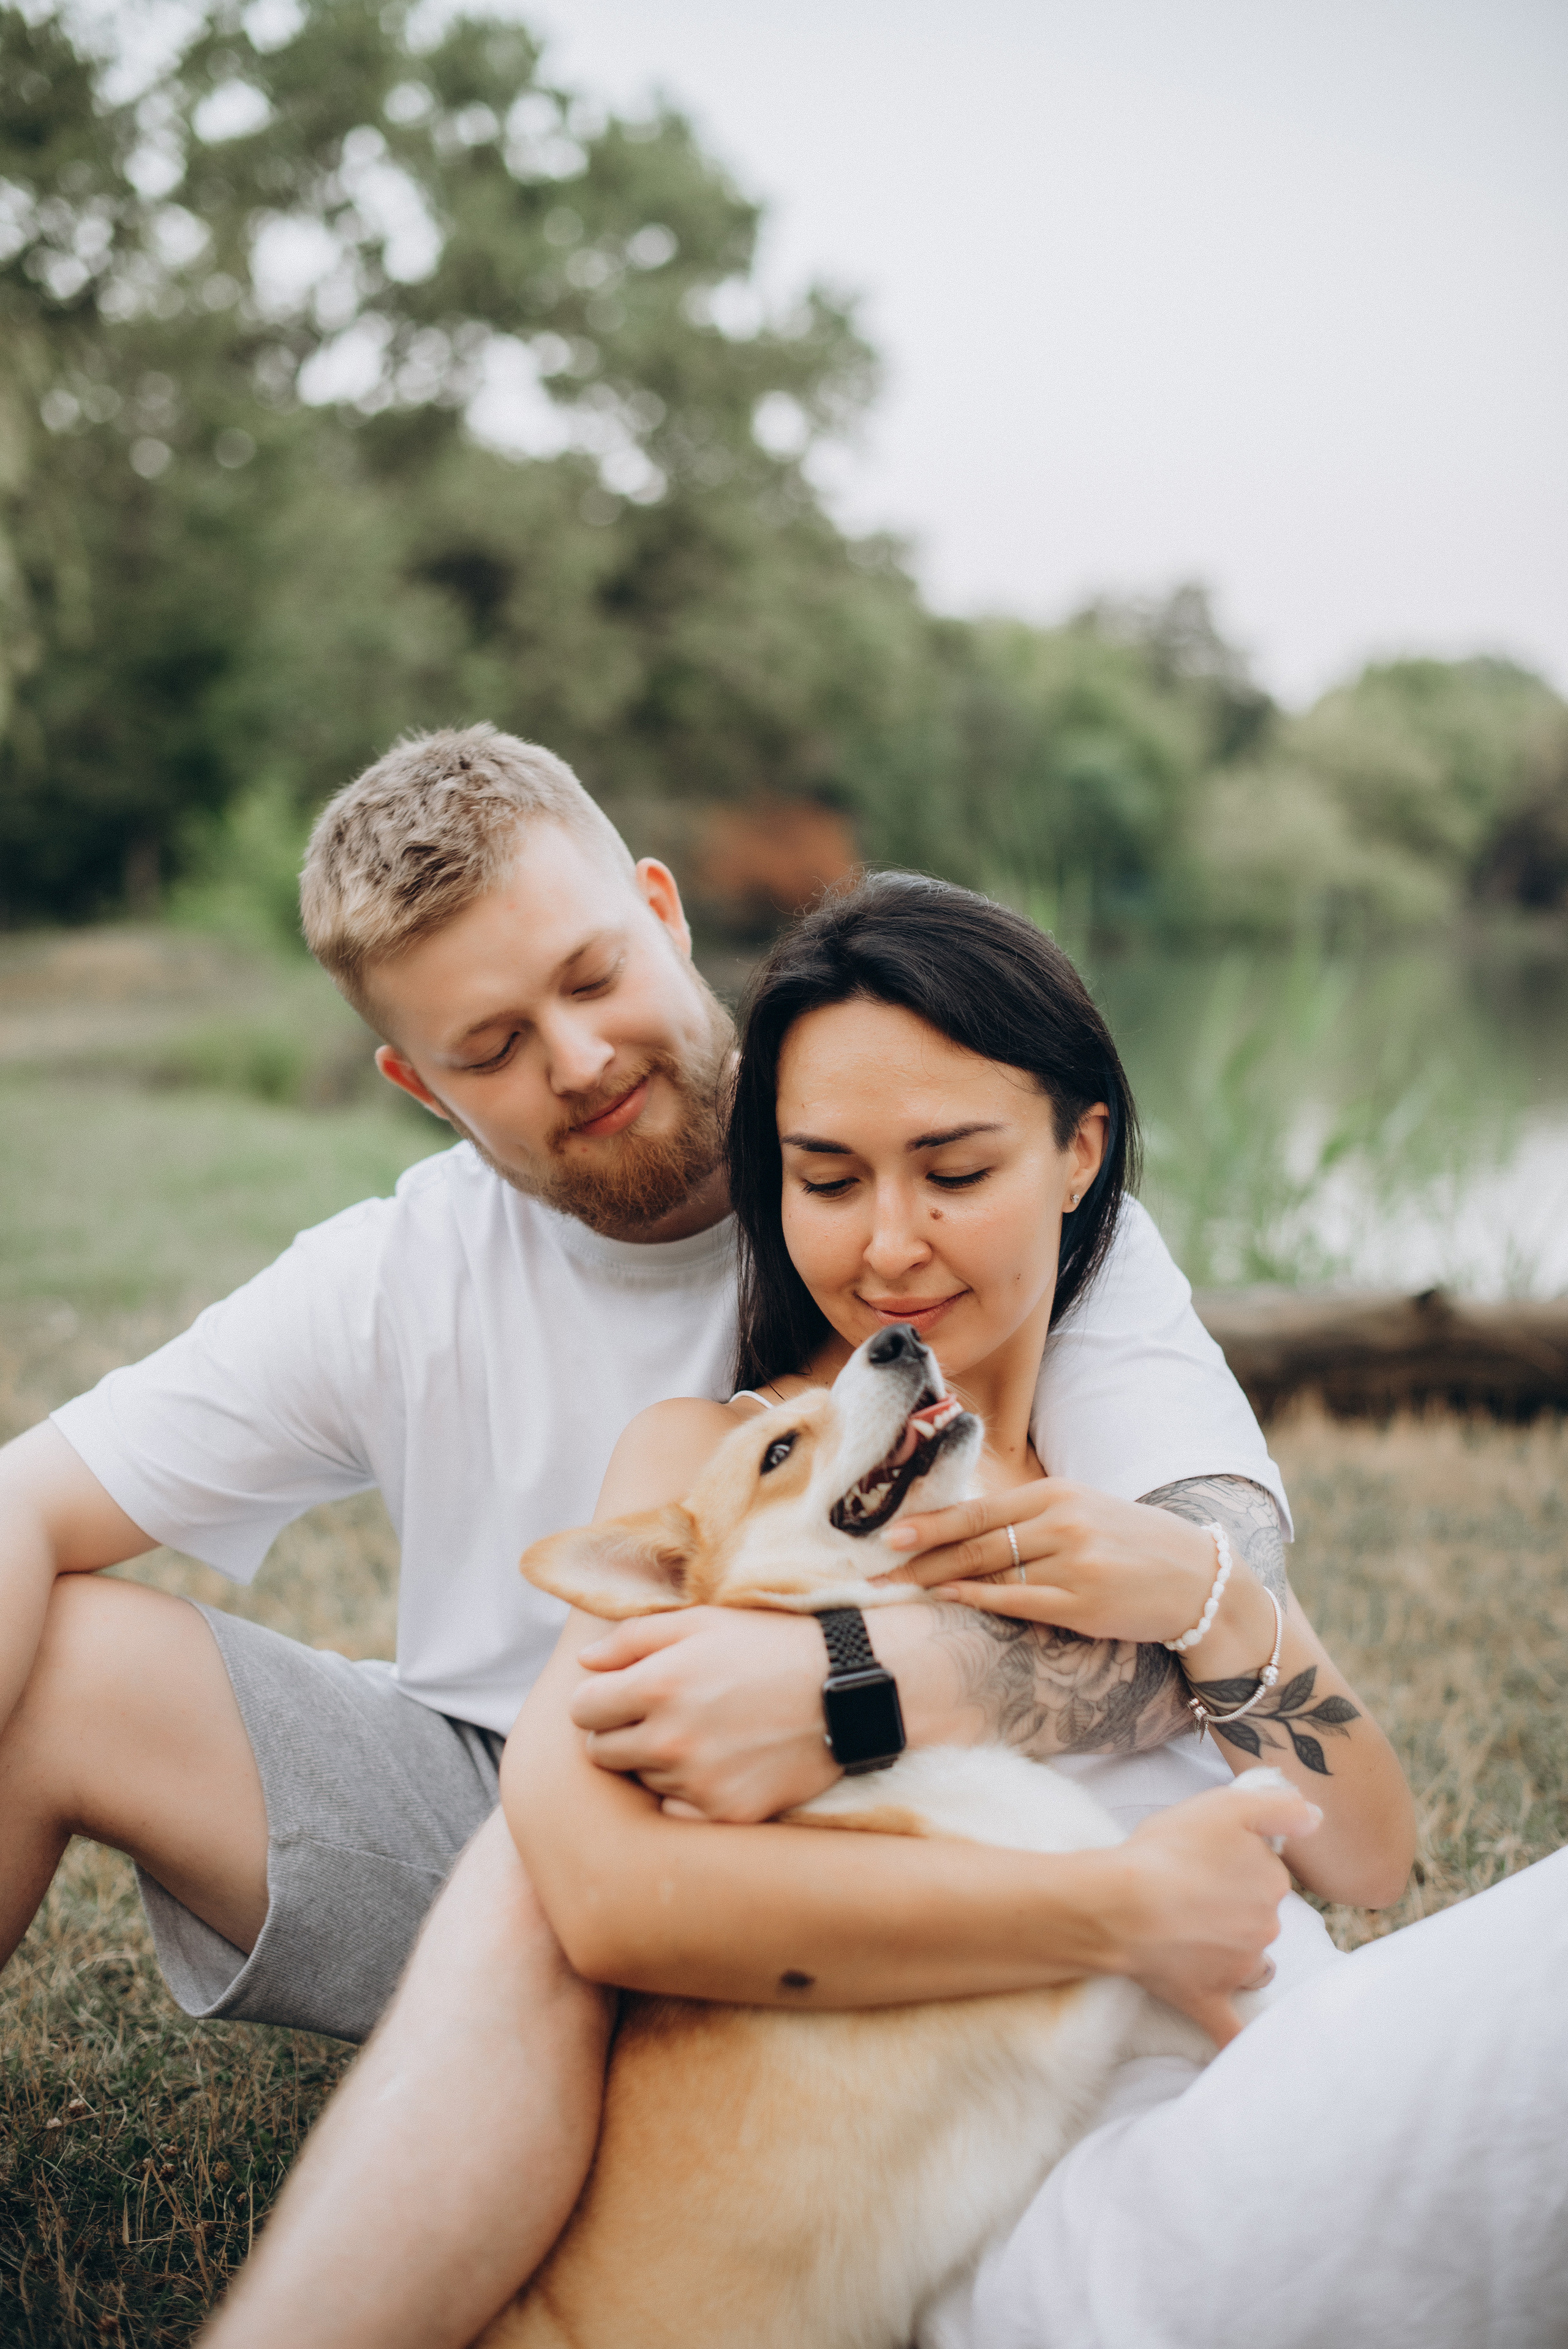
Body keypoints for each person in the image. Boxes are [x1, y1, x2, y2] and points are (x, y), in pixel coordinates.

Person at [0, 727, 1313, 2349]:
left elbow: (1218, 1561)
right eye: (491, 1045)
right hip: (523, 1791)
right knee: (73, 1657)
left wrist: (844, 1686)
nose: (575, 1057)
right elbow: (24, 1502)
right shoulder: (396, 1274)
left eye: (592, 974)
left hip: (833, 1826)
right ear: (417, 1085)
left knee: (563, 1849)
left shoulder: (927, 1184)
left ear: (662, 908)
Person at [502, 873, 1567, 2349]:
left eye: (951, 1169)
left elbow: (1364, 1853)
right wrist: (868, 1689)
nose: (889, 1248)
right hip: (1067, 2199)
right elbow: (615, 1894)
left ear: (1079, 1154)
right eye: (827, 1182)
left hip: (1294, 2077)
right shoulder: (723, 1479)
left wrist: (1199, 1596)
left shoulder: (1125, 1468)